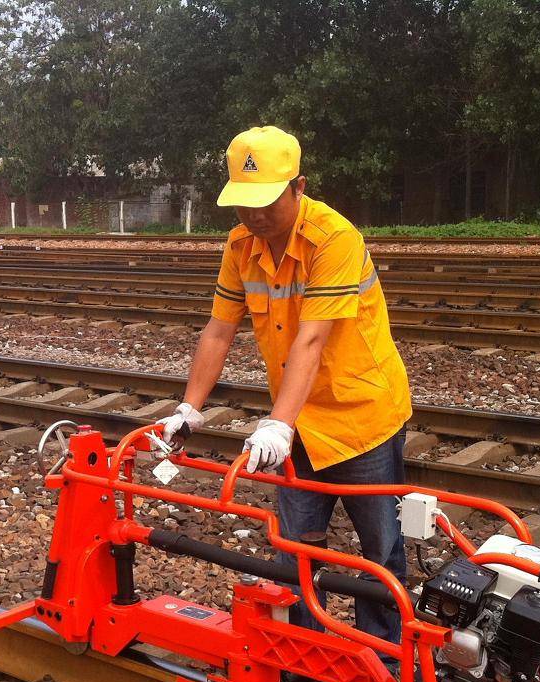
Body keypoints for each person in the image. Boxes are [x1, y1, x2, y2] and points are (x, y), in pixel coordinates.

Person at [158, 125, 412, 643]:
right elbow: (219, 329)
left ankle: (385, 659)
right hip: (298, 420)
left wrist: (277, 425)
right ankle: (297, 653)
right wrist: (189, 409)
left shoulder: (334, 238)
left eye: (267, 202)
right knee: (293, 544)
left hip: (360, 415)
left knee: (380, 549)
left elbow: (312, 339)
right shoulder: (240, 245)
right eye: (244, 204)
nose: (254, 217)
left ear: (299, 187)